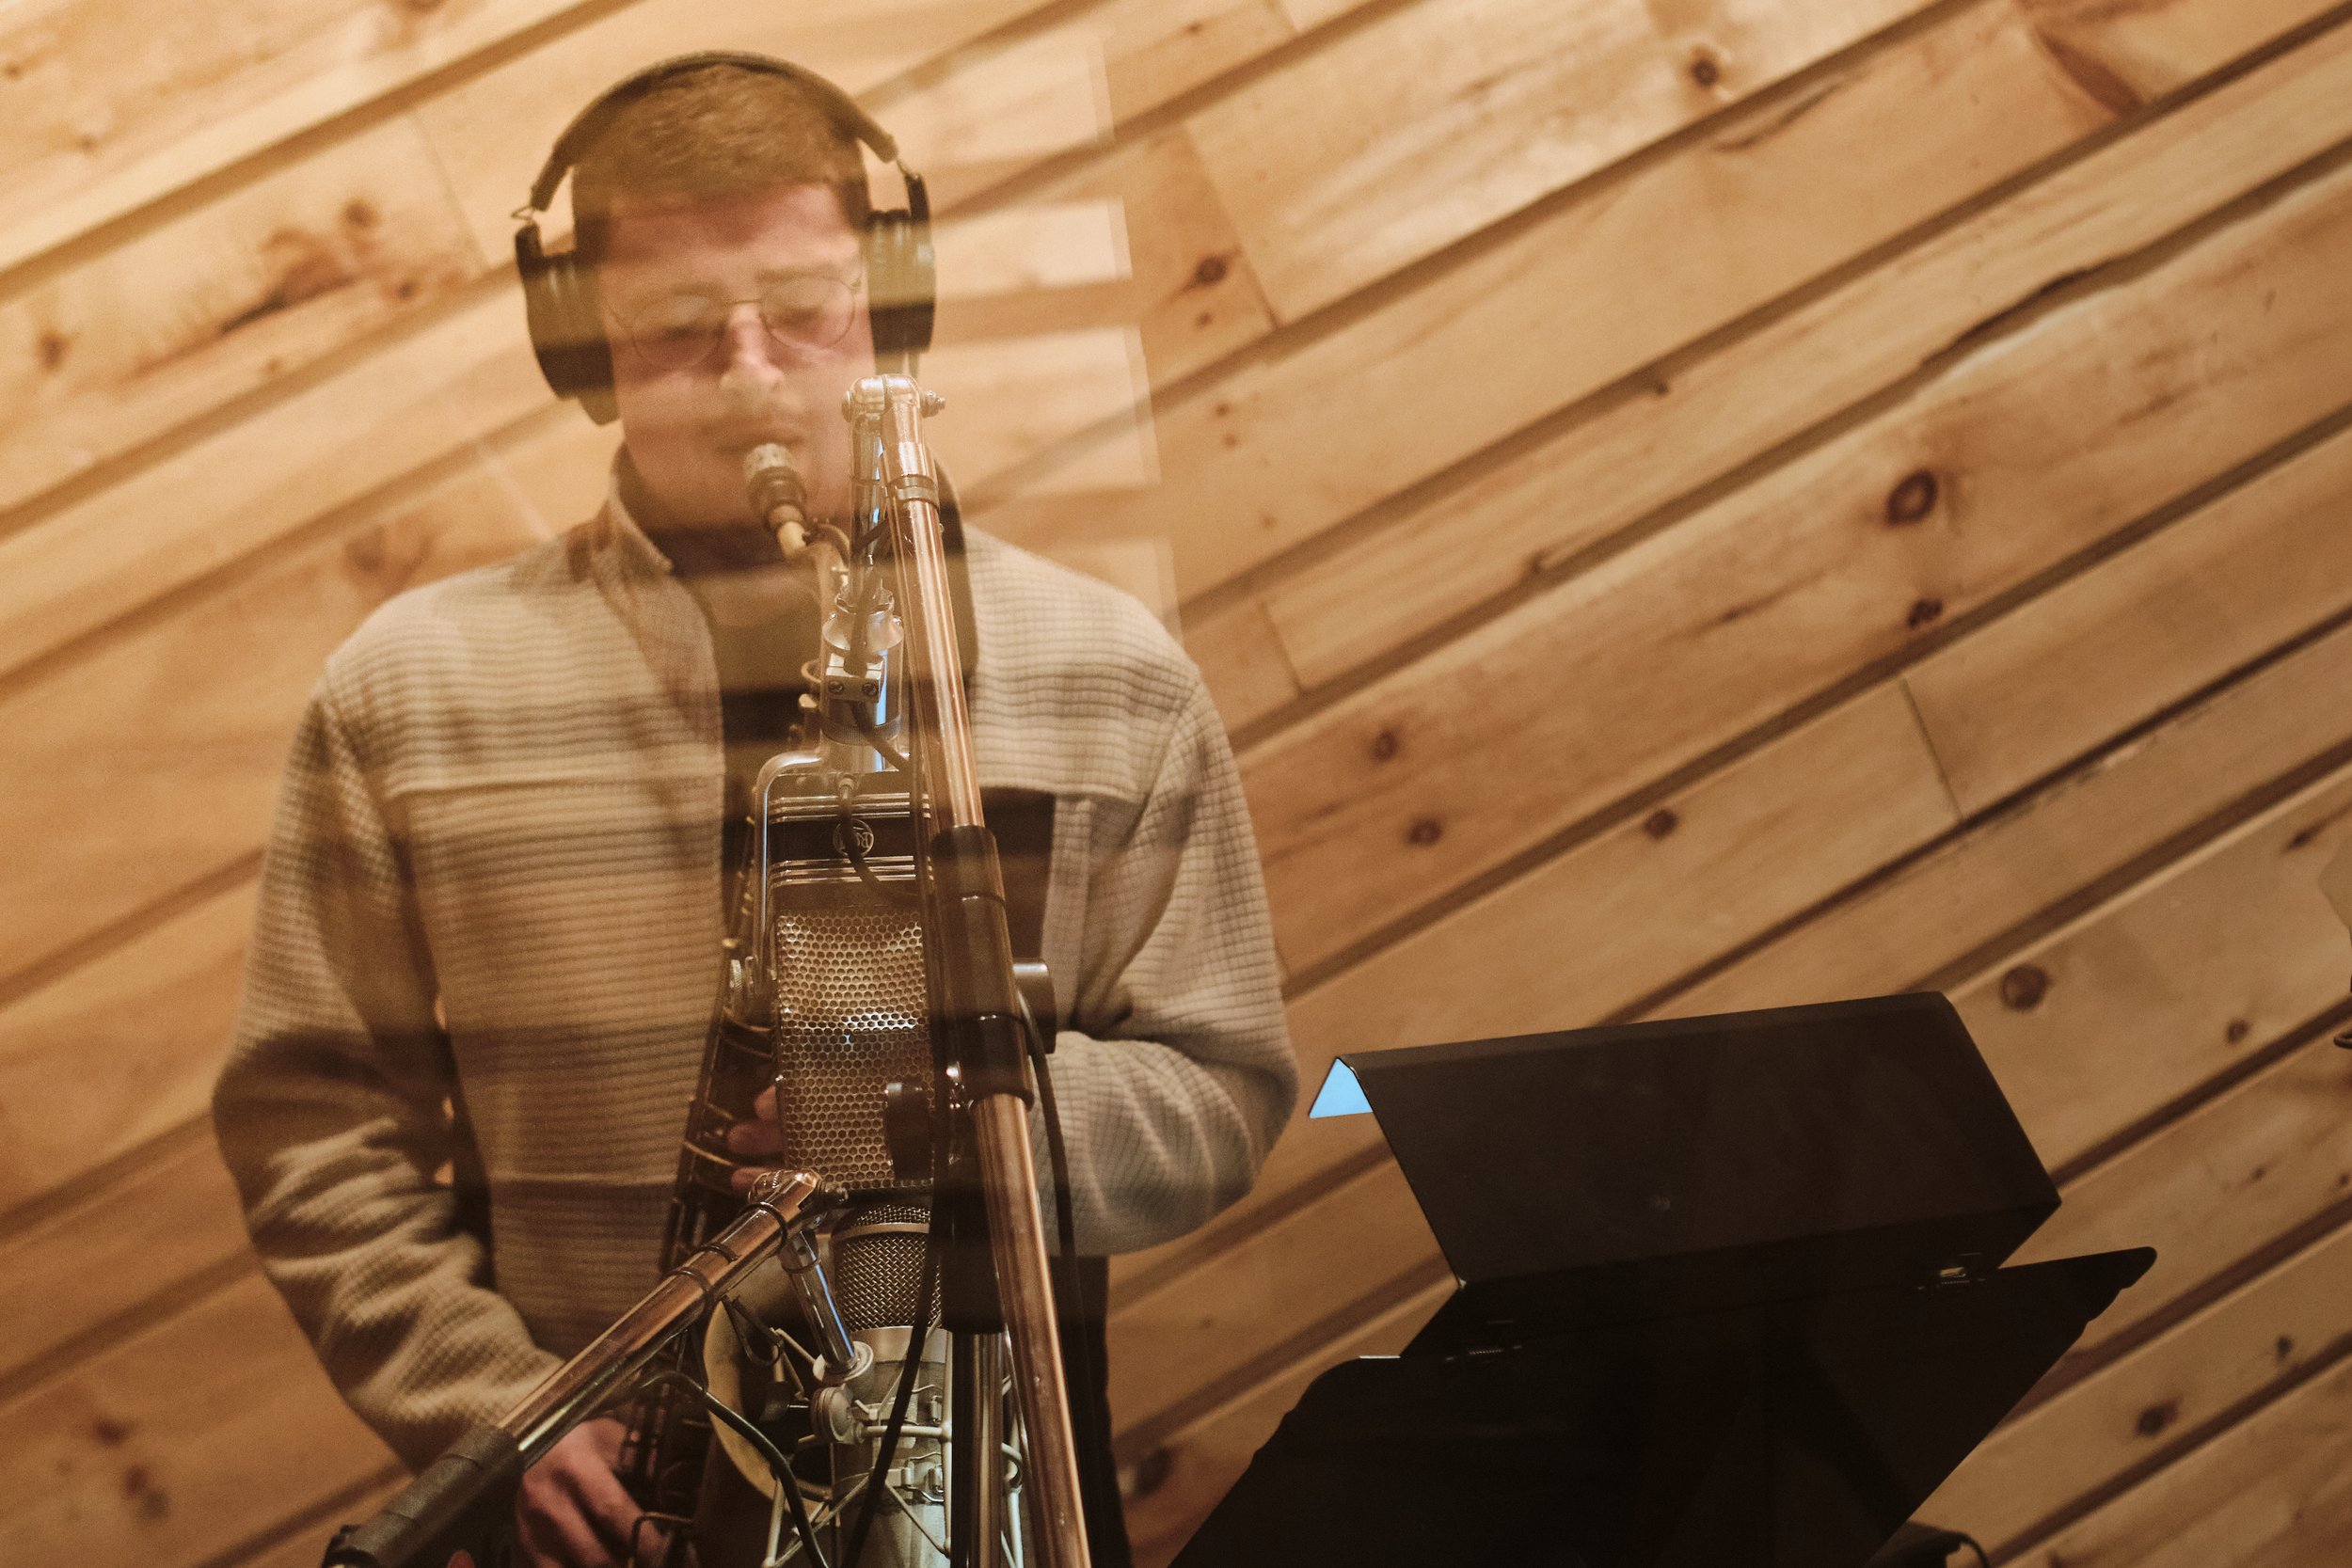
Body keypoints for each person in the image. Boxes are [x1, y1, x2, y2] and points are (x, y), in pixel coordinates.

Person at [211, 55, 1296, 1568]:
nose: (751, 376)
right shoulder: (408, 692)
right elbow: (316, 1133)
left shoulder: (1106, 670)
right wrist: (493, 1415)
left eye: (806, 308)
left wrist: (964, 1120)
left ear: (892, 305)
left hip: (968, 1498)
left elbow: (1224, 1084)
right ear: (580, 348)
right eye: (672, 332)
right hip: (605, 1511)